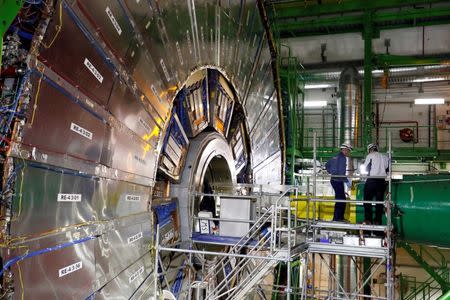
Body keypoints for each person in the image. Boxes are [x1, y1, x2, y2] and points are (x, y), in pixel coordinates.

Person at [362, 143, 389, 225]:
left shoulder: (370, 156)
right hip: (381, 182)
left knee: (367, 201)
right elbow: (388, 170)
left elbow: (366, 168)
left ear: (369, 150)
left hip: (371, 181)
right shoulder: (385, 157)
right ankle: (378, 221)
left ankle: (368, 220)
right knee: (379, 202)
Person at [326, 143, 353, 222]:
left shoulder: (334, 156)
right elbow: (341, 173)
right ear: (344, 149)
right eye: (348, 150)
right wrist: (347, 181)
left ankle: (338, 217)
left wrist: (331, 172)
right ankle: (338, 218)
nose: (348, 152)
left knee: (340, 198)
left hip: (334, 179)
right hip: (338, 180)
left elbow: (327, 165)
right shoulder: (342, 158)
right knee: (341, 199)